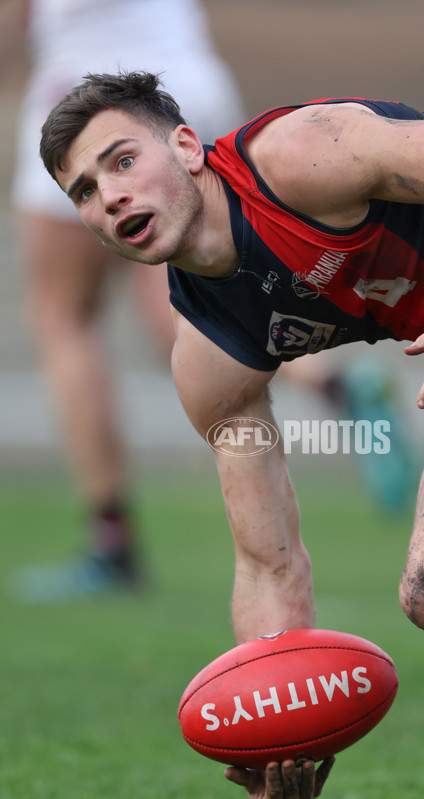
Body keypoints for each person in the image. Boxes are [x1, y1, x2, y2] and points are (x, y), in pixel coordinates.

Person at [38, 71, 424, 799]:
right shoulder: (211, 358)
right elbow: (267, 563)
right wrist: (279, 726)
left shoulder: (297, 157)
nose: (108, 196)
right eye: (82, 191)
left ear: (185, 146)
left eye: (121, 161)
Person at [7, 0, 244, 600]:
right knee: (184, 293)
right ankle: (326, 383)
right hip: (187, 80)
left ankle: (111, 540)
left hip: (84, 91)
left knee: (64, 315)